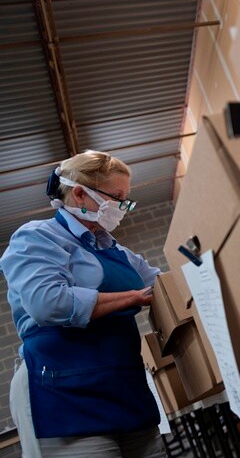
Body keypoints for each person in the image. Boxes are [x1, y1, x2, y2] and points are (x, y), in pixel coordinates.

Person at [0, 151, 166, 457]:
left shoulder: (118, 251)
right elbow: (48, 303)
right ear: (79, 193)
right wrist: (132, 297)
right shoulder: (37, 237)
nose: (122, 208)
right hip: (63, 390)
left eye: (126, 199)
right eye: (117, 197)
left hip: (122, 385)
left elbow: (164, 285)